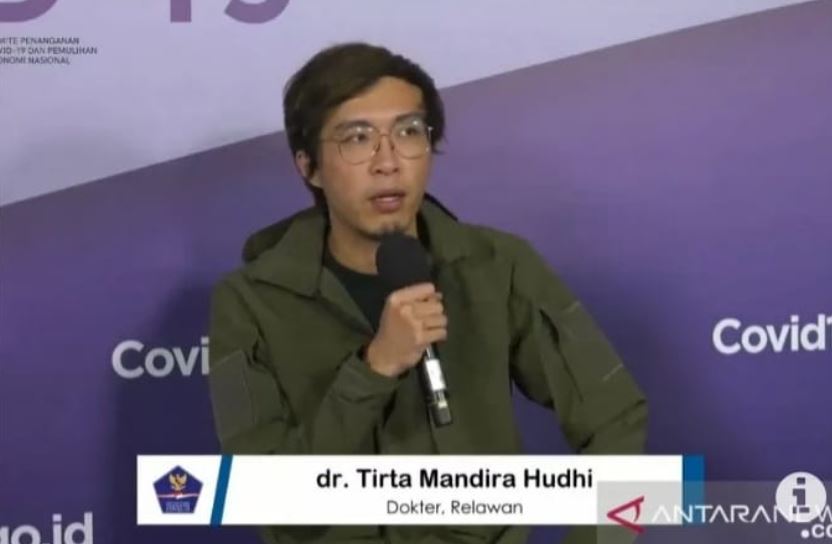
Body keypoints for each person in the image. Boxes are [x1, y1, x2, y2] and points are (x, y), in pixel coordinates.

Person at [208, 42, 647, 544]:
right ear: (308, 166)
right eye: (357, 139)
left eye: (409, 132)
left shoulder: (496, 266)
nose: (388, 162)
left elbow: (617, 417)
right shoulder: (249, 301)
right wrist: (373, 369)